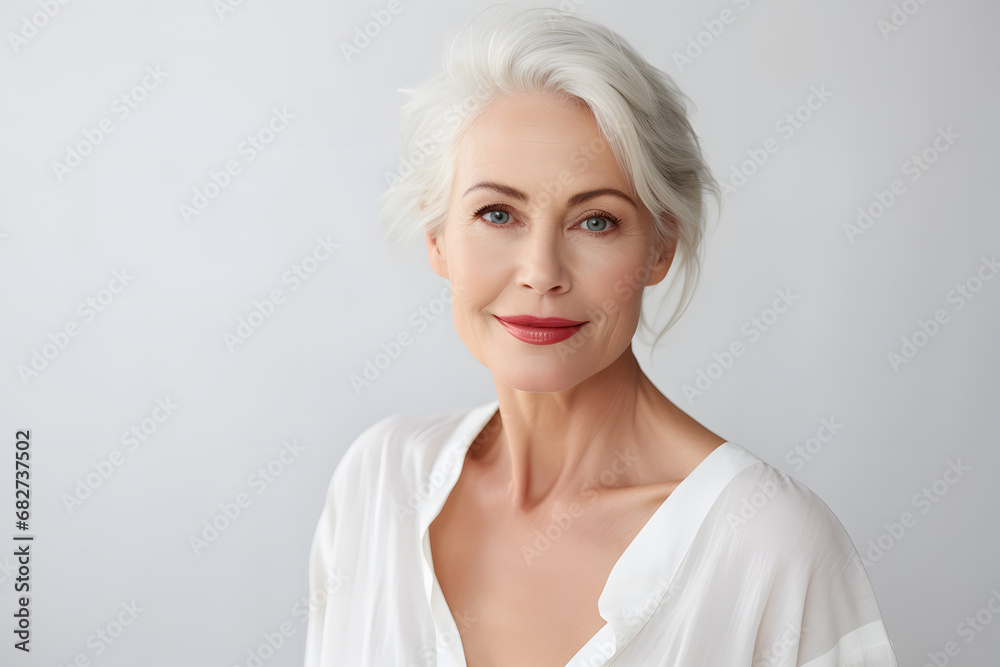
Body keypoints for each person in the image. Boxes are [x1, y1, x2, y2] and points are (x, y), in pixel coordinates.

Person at [305, 5, 898, 666]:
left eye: (596, 222)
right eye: (497, 213)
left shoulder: (770, 547)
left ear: (660, 246)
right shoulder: (379, 481)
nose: (541, 272)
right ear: (438, 237)